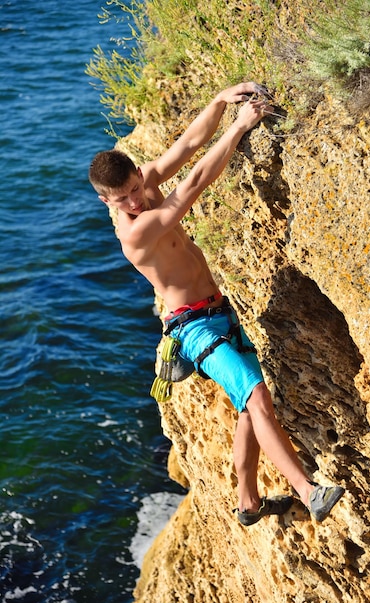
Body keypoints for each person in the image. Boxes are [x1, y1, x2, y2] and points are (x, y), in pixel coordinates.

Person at [89, 82, 344, 525]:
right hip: (193, 329)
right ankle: (309, 491)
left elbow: (188, 145)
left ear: (136, 173)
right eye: (121, 199)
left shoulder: (145, 182)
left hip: (218, 310)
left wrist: (222, 101)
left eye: (134, 188)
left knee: (248, 407)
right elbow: (192, 184)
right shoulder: (133, 232)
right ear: (104, 201)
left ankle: (248, 502)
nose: (133, 201)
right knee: (258, 396)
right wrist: (241, 126)